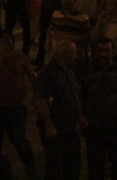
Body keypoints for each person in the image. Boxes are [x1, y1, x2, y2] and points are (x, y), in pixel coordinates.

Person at [82, 38, 117, 180]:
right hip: (95, 128)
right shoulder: (88, 73)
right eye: (100, 50)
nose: (104, 54)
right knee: (95, 166)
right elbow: (81, 98)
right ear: (95, 53)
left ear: (113, 52)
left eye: (107, 50)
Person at [0, 31, 38, 179]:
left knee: (18, 139)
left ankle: (30, 166)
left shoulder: (19, 56)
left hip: (17, 105)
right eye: (4, 41)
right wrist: (1, 60)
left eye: (9, 41)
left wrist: (37, 93)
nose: (8, 44)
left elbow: (31, 74)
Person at [35, 41, 85, 180]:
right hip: (57, 126)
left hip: (70, 125)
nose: (77, 56)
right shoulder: (47, 73)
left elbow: (73, 94)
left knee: (73, 162)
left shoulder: (68, 70)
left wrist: (79, 115)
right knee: (55, 165)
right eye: (74, 53)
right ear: (66, 56)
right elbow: (40, 99)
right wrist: (49, 125)